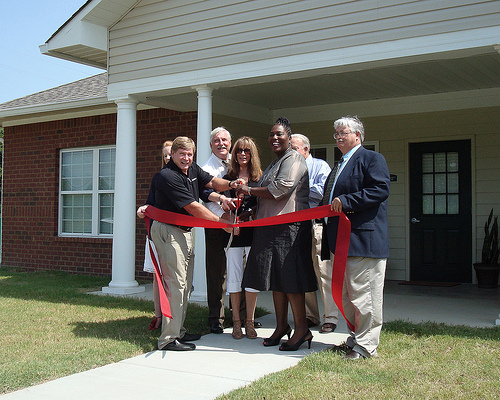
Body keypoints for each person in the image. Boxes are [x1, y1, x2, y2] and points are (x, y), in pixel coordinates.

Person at [137, 136, 240, 351]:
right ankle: (168, 339)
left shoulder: (192, 169)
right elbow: (193, 207)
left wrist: (231, 184)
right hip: (169, 232)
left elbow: (212, 182)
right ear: (172, 154)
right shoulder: (167, 176)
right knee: (176, 284)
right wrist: (222, 224)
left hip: (184, 232)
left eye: (190, 154)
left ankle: (179, 331)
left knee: (184, 284)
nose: (186, 158)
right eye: (182, 154)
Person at [239, 117, 317, 351]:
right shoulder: (275, 162)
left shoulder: (293, 158)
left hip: (289, 229)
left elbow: (281, 189)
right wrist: (251, 209)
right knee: (276, 279)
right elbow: (265, 197)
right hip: (268, 228)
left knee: (291, 280)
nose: (274, 138)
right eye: (271, 134)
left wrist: (249, 189)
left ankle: (302, 329)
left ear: (289, 137)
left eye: (279, 134)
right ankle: (282, 326)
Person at [322, 116, 390, 359]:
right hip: (340, 241)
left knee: (365, 295)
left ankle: (366, 346)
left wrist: (346, 202)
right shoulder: (340, 164)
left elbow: (380, 189)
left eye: (344, 132)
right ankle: (357, 336)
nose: (339, 136)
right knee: (345, 294)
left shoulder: (372, 159)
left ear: (358, 135)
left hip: (364, 241)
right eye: (336, 133)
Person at [290, 134, 340, 334]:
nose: (291, 152)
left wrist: (294, 190)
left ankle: (330, 317)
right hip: (295, 227)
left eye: (294, 148)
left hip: (316, 225)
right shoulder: (288, 168)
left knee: (323, 271)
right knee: (304, 271)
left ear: (305, 150)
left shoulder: (320, 167)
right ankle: (311, 315)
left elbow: (321, 193)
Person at [222, 136, 262, 339]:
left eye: (247, 151)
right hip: (234, 235)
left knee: (252, 280)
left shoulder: (260, 178)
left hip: (254, 234)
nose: (242, 154)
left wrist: (250, 213)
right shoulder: (228, 177)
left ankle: (250, 322)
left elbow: (264, 204)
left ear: (252, 154)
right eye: (239, 150)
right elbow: (220, 202)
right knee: (234, 279)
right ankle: (236, 322)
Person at [202, 127, 232, 334]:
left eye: (225, 140)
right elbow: (203, 195)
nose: (221, 144)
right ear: (211, 144)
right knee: (216, 273)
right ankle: (216, 318)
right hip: (215, 225)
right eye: (217, 141)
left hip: (240, 224)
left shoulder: (238, 163)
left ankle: (242, 314)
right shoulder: (205, 168)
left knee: (241, 268)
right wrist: (222, 217)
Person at [144, 140, 172, 331]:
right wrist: (143, 209)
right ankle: (158, 315)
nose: (168, 158)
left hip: (175, 234)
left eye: (171, 154)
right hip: (156, 233)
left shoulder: (184, 178)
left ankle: (173, 318)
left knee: (173, 278)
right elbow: (150, 203)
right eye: (165, 155)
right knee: (158, 277)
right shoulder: (158, 178)